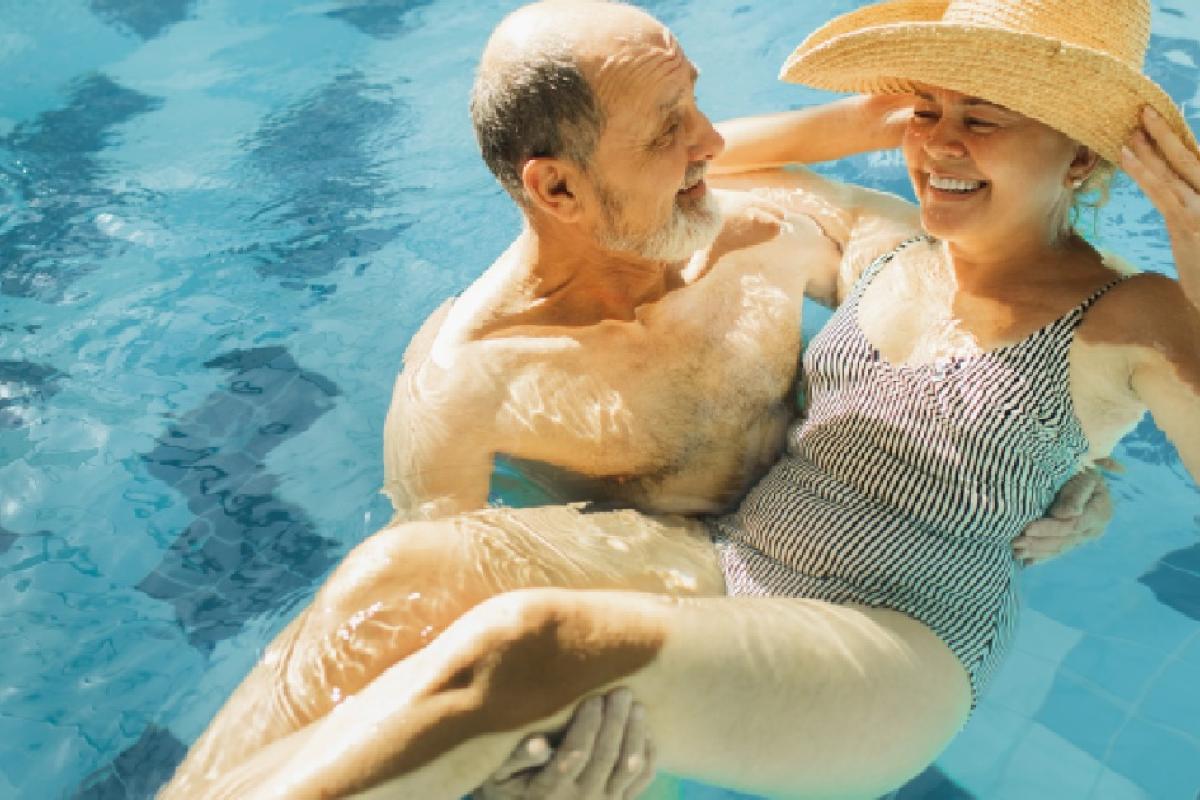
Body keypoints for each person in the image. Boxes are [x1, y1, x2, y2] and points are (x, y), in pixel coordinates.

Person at [155, 0, 1200, 796]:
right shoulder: (881, 247)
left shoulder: (1127, 310)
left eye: (986, 116)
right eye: (927, 111)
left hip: (896, 639)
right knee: (393, 577)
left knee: (527, 646)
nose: (938, 144)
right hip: (724, 573)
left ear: (1081, 149)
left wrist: (1184, 254)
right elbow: (679, 167)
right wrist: (891, 118)